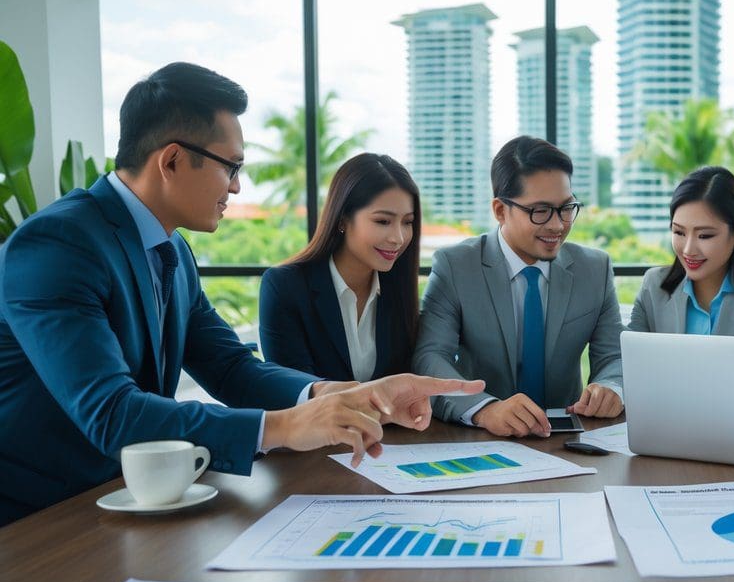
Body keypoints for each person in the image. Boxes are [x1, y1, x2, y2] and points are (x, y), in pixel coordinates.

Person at [0, 62, 482, 525]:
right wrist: (285, 427)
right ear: (170, 160)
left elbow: (231, 367)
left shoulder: (172, 250)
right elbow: (111, 412)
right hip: (35, 519)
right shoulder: (58, 245)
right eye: (230, 166)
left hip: (123, 502)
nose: (236, 185)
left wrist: (341, 395)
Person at [414, 135, 624, 438]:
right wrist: (484, 409)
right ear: (500, 210)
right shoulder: (456, 266)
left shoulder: (595, 269)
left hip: (567, 437)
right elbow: (430, 358)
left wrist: (610, 387)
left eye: (566, 208)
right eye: (540, 211)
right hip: (483, 437)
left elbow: (614, 357)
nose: (558, 225)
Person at [260, 153, 420, 382]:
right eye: (383, 221)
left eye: (407, 222)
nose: (398, 238)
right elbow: (291, 392)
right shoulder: (286, 287)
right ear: (343, 218)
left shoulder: (399, 290)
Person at [628, 166, 734, 338]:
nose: (689, 249)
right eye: (679, 232)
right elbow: (631, 358)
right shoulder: (653, 286)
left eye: (704, 235)